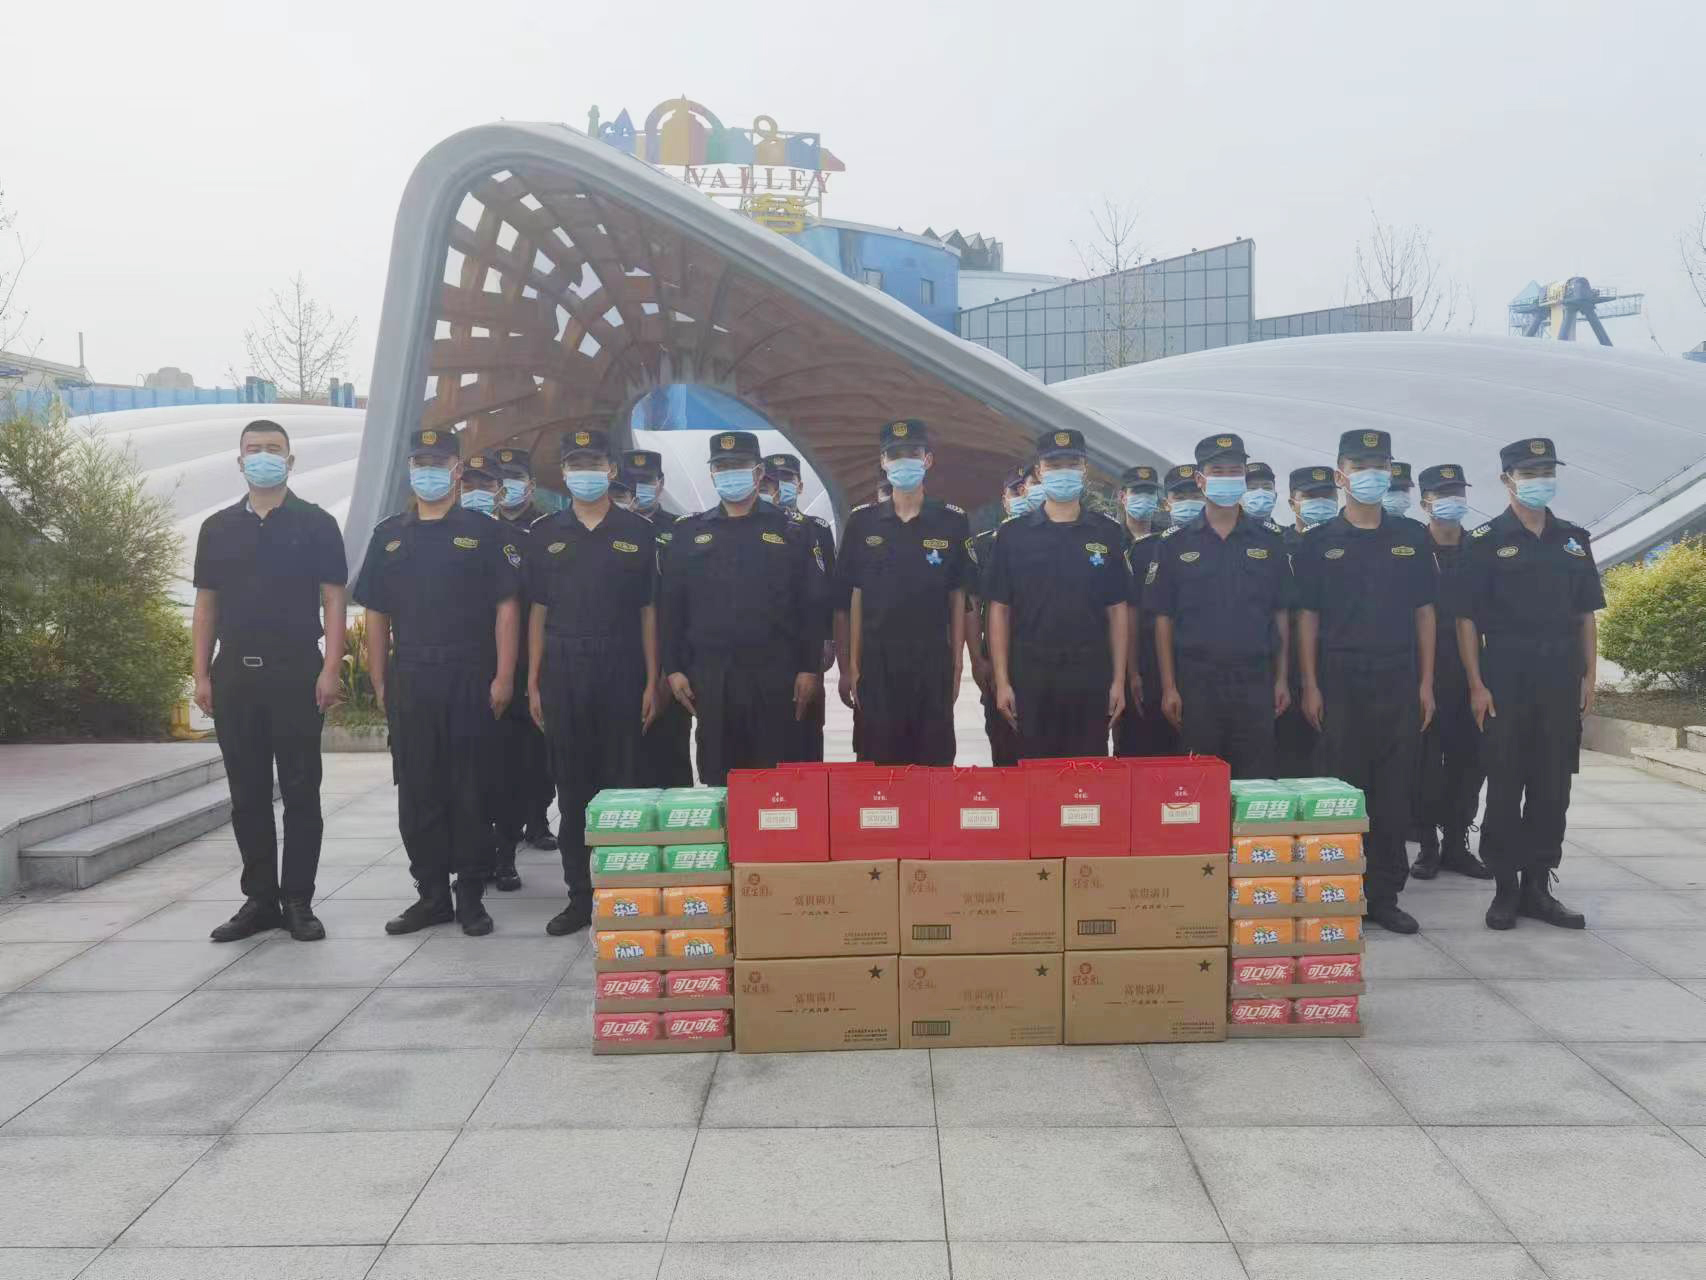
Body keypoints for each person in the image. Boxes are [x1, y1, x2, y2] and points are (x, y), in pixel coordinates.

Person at [355, 428, 520, 937]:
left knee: (470, 787)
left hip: (469, 673)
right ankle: (430, 894)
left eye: (437, 462)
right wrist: (379, 678)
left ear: (456, 469)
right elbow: (376, 612)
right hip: (411, 675)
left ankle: (470, 894)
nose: (428, 471)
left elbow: (507, 608)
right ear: (410, 469)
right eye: (420, 462)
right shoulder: (389, 535)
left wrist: (504, 677)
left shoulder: (484, 532)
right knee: (417, 787)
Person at [192, 419, 346, 943]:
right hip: (235, 673)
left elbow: (333, 599)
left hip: (296, 670)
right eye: (254, 449)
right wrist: (201, 673)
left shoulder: (317, 523)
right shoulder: (217, 527)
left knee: (301, 790)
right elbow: (206, 604)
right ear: (240, 461)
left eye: (273, 449)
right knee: (247, 793)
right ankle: (259, 900)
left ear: (290, 460)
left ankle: (298, 900)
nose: (264, 456)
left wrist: (331, 667)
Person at [1452, 437, 1601, 931]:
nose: (1540, 480)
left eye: (1546, 471)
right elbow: (1467, 619)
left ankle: (1539, 885)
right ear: (1507, 479)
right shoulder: (1484, 540)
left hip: (1559, 676)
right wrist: (1476, 683)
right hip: (1506, 676)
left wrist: (1589, 675)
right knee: (1505, 782)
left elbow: (1586, 613)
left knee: (1553, 785)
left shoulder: (1572, 539)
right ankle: (1505, 887)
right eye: (1529, 472)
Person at [1294, 429, 1436, 935]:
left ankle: (1384, 895)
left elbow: (1425, 612)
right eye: (1360, 465)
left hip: (1398, 676)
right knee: (1342, 787)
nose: (1370, 474)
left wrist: (1426, 682)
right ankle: (1338, 890)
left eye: (1379, 465)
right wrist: (1310, 684)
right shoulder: (1318, 542)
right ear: (1341, 475)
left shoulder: (1411, 537)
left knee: (1394, 790)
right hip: (1340, 676)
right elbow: (1307, 617)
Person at [524, 428, 661, 936]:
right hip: (563, 667)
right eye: (576, 464)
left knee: (623, 783)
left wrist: (652, 679)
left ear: (611, 470)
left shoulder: (639, 532)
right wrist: (533, 681)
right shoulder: (545, 532)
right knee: (573, 788)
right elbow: (537, 612)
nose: (586, 472)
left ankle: (624, 893)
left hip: (621, 665)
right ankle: (580, 896)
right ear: (563, 472)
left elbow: (649, 611)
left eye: (595, 463)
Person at [661, 431, 826, 784]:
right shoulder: (689, 533)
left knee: (776, 775)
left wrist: (809, 668)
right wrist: (673, 669)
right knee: (720, 774)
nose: (729, 473)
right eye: (721, 467)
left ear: (758, 471)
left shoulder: (792, 530)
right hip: (713, 675)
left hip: (776, 673)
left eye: (738, 465)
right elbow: (673, 607)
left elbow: (810, 606)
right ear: (711, 473)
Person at [1145, 435, 1291, 778]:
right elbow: (1164, 619)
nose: (1227, 478)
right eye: (1217, 471)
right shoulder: (1174, 545)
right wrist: (1169, 686)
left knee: (1255, 782)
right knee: (1200, 782)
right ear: (1200, 479)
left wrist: (1282, 679)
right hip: (1198, 682)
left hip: (1254, 680)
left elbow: (1281, 613)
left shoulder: (1270, 542)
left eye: (1235, 470)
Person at [986, 428, 1128, 759]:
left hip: (1089, 673)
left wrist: (1118, 680)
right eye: (1054, 464)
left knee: (1087, 773)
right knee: (1035, 772)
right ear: (1039, 471)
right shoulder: (1013, 535)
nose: (1063, 471)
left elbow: (1118, 609)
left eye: (1072, 463)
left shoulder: (1106, 532)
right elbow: (999, 610)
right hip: (1031, 675)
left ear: (1084, 469)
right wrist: (1003, 681)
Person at [838, 419, 969, 764]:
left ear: (928, 459)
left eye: (912, 453)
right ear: (883, 461)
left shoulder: (952, 522)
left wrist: (957, 665)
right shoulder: (862, 523)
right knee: (880, 765)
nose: (903, 462)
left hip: (932, 662)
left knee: (934, 762)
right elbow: (855, 597)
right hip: (878, 663)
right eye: (895, 455)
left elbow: (958, 598)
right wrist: (853, 665)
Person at [1410, 464, 1493, 881]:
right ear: (1425, 501)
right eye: (1443, 493)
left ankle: (1458, 842)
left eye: (1458, 492)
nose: (1452, 500)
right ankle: (1427, 844)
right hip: (1421, 669)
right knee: (1423, 763)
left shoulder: (1480, 548)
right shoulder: (1410, 547)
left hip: (1471, 670)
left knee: (1469, 761)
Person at [493, 447, 557, 877]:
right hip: (492, 659)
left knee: (537, 751)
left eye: (515, 478)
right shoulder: (482, 529)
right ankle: (505, 838)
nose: (506, 486)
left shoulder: (544, 531)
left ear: (530, 486)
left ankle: (537, 819)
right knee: (502, 759)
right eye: (500, 479)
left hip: (535, 656)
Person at [625, 449, 695, 787]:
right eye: (632, 481)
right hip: (620, 660)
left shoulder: (681, 530)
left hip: (671, 657)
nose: (640, 487)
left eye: (647, 480)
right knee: (625, 760)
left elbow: (688, 603)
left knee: (671, 755)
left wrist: (672, 667)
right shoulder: (610, 529)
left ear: (661, 483)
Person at [764, 451, 836, 763]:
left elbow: (828, 588)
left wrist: (829, 639)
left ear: (800, 485)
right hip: (765, 648)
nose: (781, 486)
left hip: (805, 643)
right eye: (774, 480)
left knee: (806, 724)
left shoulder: (816, 528)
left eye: (788, 479)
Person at [1275, 466, 1339, 778]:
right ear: (1292, 502)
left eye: (1327, 495)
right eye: (1311, 496)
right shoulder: (1278, 546)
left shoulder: (1348, 542)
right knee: (1290, 758)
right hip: (1288, 665)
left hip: (1336, 665)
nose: (1321, 502)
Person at [967, 467, 1032, 767]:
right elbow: (973, 605)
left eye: (1025, 488)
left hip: (1041, 657)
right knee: (1005, 751)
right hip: (998, 660)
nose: (1021, 495)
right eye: (1014, 491)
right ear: (1004, 501)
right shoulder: (986, 544)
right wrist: (977, 660)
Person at [1113, 464, 1177, 757]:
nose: (1144, 498)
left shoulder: (1166, 542)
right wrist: (1129, 671)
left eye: (1150, 493)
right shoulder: (1111, 540)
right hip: (1123, 656)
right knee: (1130, 743)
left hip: (1161, 654)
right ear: (1122, 497)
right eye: (1137, 492)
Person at [1163, 464, 1205, 528]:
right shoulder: (1157, 534)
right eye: (1180, 498)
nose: (1189, 504)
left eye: (1196, 497)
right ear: (1166, 504)